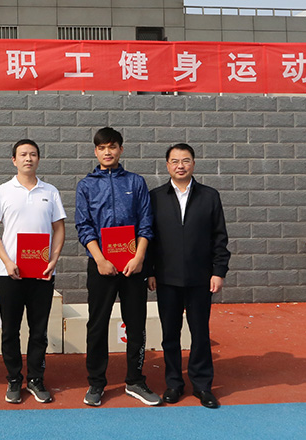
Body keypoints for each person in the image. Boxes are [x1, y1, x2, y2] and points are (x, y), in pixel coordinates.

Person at [75, 127, 161, 407]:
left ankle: (135, 380)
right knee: (97, 325)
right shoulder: (86, 185)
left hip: (133, 266)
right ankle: (96, 383)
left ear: (121, 149)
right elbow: (83, 226)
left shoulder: (136, 182)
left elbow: (146, 223)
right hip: (101, 265)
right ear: (95, 151)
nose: (107, 152)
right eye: (102, 148)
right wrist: (100, 259)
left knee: (135, 324)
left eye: (112, 147)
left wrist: (139, 258)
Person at [147, 143, 230, 409]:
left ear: (193, 163)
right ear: (167, 165)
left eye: (185, 160)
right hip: (166, 277)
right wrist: (150, 272)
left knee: (200, 333)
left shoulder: (209, 196)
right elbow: (148, 237)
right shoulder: (155, 197)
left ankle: (202, 385)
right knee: (170, 334)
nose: (180, 166)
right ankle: (174, 383)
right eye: (174, 161)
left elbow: (219, 237)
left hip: (200, 278)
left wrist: (218, 271)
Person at [0, 139, 66, 404]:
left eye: (32, 154)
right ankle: (13, 378)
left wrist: (54, 259)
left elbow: (59, 228)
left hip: (42, 272)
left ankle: (35, 379)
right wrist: (7, 261)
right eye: (23, 154)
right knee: (10, 330)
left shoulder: (50, 191)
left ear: (38, 159)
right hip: (10, 273)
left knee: (38, 330)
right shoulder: (2, 191)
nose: (28, 158)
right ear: (14, 160)